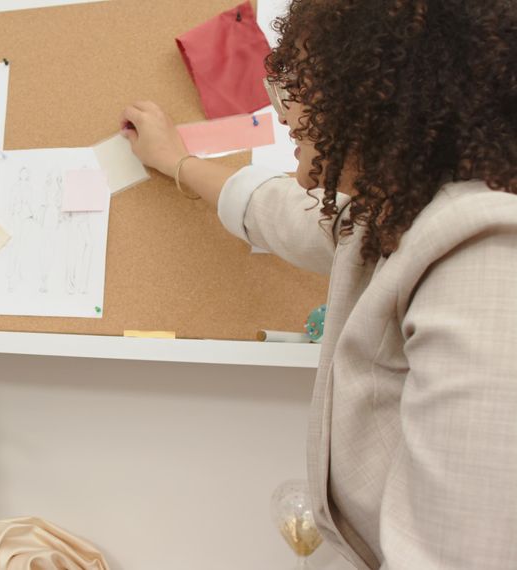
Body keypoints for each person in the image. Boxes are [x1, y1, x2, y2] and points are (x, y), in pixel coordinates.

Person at [122, 0, 515, 568]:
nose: (283, 114)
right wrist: (176, 161)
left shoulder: (483, 251)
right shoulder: (392, 217)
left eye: (299, 87)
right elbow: (275, 210)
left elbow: (458, 554)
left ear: (375, 97)